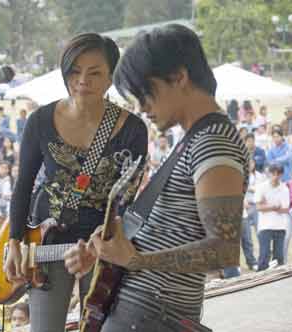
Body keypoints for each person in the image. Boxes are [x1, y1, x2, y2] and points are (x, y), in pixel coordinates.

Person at [63, 24, 248, 332]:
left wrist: (137, 261)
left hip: (154, 316)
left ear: (179, 77)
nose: (141, 107)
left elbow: (224, 249)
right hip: (141, 312)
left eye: (145, 92)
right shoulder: (196, 139)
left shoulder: (213, 142)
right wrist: (104, 255)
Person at [4, 33, 148, 332]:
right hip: (47, 240)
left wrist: (105, 239)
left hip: (102, 246)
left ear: (111, 78)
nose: (83, 80)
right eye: (74, 71)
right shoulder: (40, 120)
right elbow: (23, 185)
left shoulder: (133, 130)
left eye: (95, 73)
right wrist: (15, 239)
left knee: (98, 327)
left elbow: (129, 201)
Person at [256, 164, 289, 271]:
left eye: (278, 174)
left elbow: (285, 208)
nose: (275, 176)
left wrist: (267, 205)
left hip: (280, 226)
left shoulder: (284, 188)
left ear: (281, 175)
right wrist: (275, 206)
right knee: (264, 256)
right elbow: (259, 207)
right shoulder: (262, 187)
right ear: (269, 174)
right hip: (265, 226)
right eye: (273, 174)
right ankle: (259, 281)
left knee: (279, 257)